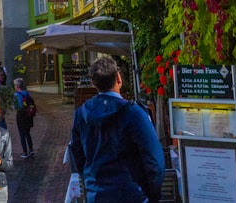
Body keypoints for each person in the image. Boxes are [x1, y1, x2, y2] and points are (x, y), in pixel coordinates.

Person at [70, 56, 166, 203]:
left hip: (97, 195)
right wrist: (152, 195)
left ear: (93, 83)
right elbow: (154, 158)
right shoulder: (134, 112)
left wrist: (92, 182)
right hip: (131, 193)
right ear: (118, 78)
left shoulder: (81, 114)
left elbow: (78, 155)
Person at [13, 78, 35, 158]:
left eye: (15, 85)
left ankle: (25, 151)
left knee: (22, 134)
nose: (14, 86)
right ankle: (31, 149)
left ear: (18, 86)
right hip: (28, 116)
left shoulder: (16, 95)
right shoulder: (26, 93)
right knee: (28, 133)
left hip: (21, 115)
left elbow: (17, 106)